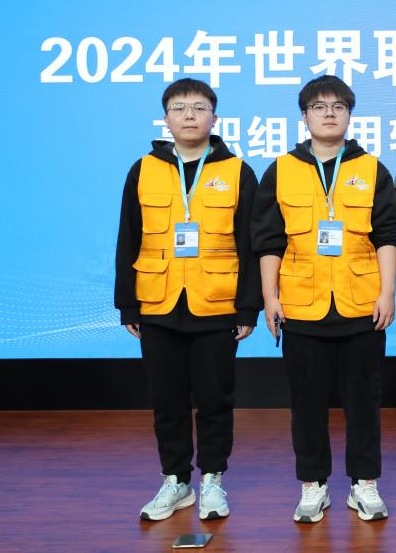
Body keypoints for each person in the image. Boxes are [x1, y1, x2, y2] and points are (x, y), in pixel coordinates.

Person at [251, 75, 396, 524]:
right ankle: (313, 485)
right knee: (307, 404)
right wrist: (269, 296)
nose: (329, 113)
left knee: (364, 402)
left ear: (349, 115)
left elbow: (386, 235)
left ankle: (364, 483)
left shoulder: (371, 169)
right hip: (302, 304)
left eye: (338, 106)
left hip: (361, 304)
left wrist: (387, 292)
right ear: (305, 116)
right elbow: (269, 240)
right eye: (319, 106)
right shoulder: (281, 170)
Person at [115, 77, 260, 521]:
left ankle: (212, 479)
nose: (190, 115)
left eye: (199, 107)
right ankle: (175, 481)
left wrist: (248, 306)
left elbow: (250, 243)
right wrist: (127, 304)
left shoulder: (237, 171)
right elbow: (128, 237)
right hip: (158, 302)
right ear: (166, 119)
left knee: (215, 399)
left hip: (216, 302)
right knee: (167, 400)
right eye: (179, 108)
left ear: (214, 117)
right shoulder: (143, 169)